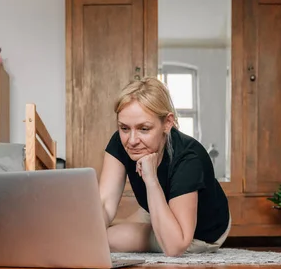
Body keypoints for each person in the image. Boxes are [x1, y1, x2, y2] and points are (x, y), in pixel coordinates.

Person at [99, 77, 231, 257]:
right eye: (124, 128)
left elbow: (175, 246)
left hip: (200, 232)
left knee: (108, 239)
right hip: (157, 208)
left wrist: (151, 178)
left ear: (167, 123)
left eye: (144, 129)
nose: (131, 140)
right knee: (95, 234)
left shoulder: (189, 157)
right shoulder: (120, 141)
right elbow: (105, 203)